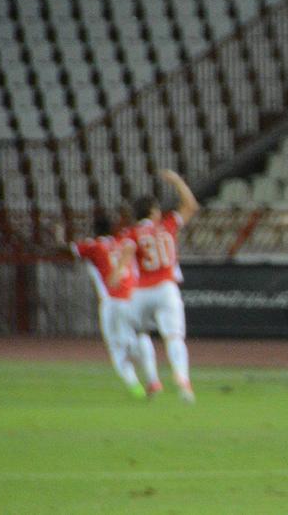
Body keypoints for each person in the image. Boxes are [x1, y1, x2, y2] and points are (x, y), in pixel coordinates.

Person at [121, 170, 199, 402]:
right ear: (154, 211)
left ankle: (153, 380)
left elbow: (125, 260)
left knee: (139, 334)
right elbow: (191, 206)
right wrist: (177, 181)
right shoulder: (167, 225)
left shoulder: (131, 233)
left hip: (141, 291)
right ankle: (183, 381)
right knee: (174, 338)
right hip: (166, 288)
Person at [69, 212, 159, 399]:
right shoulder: (124, 242)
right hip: (134, 298)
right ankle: (153, 378)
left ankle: (136, 388)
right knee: (141, 336)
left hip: (113, 301)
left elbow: (69, 250)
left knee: (117, 348)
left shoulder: (93, 246)